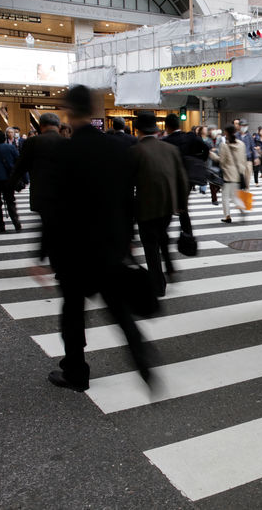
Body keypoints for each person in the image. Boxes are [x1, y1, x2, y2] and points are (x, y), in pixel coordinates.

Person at [45, 85, 155, 393]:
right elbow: (128, 200)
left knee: (73, 312)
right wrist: (128, 238)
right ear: (94, 110)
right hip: (110, 244)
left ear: (69, 111)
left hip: (74, 249)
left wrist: (43, 253)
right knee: (118, 307)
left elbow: (55, 207)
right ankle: (140, 354)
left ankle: (76, 371)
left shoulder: (64, 151)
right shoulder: (118, 149)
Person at [133, 111, 188, 297]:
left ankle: (158, 285)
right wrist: (181, 205)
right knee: (160, 236)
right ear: (156, 129)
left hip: (146, 207)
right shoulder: (170, 149)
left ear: (138, 130)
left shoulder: (135, 151)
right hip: (167, 206)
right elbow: (182, 179)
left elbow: (127, 183)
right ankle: (169, 268)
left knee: (150, 246)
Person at [9, 113, 66, 258]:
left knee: (48, 225)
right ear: (58, 126)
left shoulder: (32, 142)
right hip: (63, 194)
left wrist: (11, 185)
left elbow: (20, 167)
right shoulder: (66, 143)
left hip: (41, 193)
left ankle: (54, 259)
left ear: (41, 126)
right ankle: (60, 261)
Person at [163, 114, 205, 238]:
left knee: (170, 206)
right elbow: (205, 149)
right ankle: (187, 233)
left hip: (172, 178)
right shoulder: (190, 137)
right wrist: (197, 160)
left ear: (167, 127)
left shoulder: (165, 142)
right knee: (183, 207)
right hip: (188, 177)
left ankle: (163, 231)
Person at [209, 125, 248, 223]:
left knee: (225, 196)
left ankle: (227, 216)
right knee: (234, 195)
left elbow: (221, 161)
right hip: (239, 173)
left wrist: (211, 154)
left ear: (226, 133)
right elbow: (244, 159)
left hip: (228, 174)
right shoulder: (241, 144)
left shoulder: (225, 146)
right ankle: (242, 209)